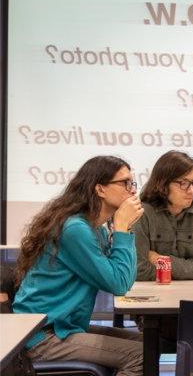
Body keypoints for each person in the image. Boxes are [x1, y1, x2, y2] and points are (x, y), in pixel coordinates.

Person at [12, 156, 144, 376]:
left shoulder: (97, 229)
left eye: (133, 183)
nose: (132, 191)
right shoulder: (74, 229)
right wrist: (121, 229)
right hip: (42, 336)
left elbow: (124, 279)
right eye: (125, 183)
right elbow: (118, 284)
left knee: (147, 343)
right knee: (140, 353)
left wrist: (125, 230)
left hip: (65, 328)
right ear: (100, 189)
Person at [134, 150, 193, 281]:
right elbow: (140, 270)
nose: (191, 190)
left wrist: (161, 261)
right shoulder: (142, 213)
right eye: (184, 183)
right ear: (163, 184)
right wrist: (190, 270)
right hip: (152, 295)